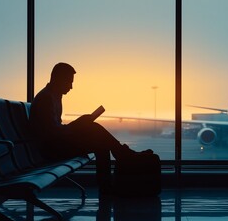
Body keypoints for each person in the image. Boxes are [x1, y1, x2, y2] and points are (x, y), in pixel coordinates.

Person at [29, 62, 152, 194]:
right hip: (51, 150)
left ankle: (116, 166)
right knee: (98, 139)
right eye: (69, 82)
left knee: (94, 132)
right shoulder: (47, 98)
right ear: (59, 79)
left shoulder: (52, 95)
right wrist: (77, 124)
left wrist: (78, 124)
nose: (71, 87)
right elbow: (53, 133)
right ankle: (121, 156)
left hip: (54, 145)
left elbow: (54, 130)